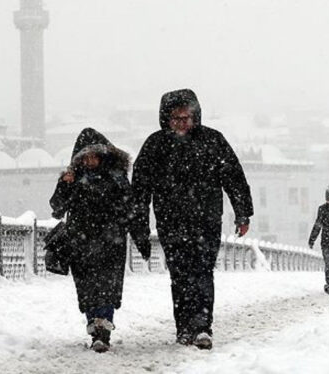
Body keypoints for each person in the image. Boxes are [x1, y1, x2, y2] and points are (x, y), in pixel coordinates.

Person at [131, 89, 253, 350]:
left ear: (195, 116)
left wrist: (243, 212)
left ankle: (201, 326)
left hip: (206, 220)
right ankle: (184, 327)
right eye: (176, 118)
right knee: (180, 274)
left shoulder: (212, 141)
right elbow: (140, 189)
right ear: (167, 119)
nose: (182, 123)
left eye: (187, 117)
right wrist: (139, 224)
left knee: (202, 271)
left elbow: (233, 177)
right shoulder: (155, 145)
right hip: (171, 222)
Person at [50, 128, 152, 353]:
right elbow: (57, 209)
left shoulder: (117, 179)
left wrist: (141, 238)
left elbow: (132, 211)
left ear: (104, 155)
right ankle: (95, 326)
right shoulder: (74, 179)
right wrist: (64, 184)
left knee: (106, 287)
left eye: (94, 155)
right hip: (81, 243)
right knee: (87, 288)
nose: (90, 161)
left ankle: (102, 330)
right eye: (85, 157)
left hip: (111, 243)